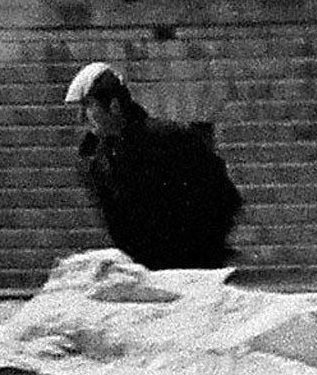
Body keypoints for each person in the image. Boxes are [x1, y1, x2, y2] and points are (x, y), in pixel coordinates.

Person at [67, 62, 243, 270]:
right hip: (144, 276)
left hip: (191, 270)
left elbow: (224, 198)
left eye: (88, 106)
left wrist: (199, 254)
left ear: (114, 106)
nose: (81, 118)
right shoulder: (99, 161)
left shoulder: (171, 140)